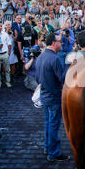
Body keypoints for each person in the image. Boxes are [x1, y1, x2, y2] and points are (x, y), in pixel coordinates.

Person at [35, 33, 70, 162]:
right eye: (60, 42)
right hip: (54, 97)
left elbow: (37, 78)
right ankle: (53, 153)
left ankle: (47, 148)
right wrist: (68, 66)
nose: (62, 44)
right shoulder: (55, 59)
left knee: (48, 123)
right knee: (54, 125)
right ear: (54, 43)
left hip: (45, 96)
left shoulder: (41, 56)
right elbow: (62, 78)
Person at [0, 20, 12, 89]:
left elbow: (9, 44)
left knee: (7, 70)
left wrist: (8, 53)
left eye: (1, 26)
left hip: (5, 53)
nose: (0, 27)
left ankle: (8, 82)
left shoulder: (5, 34)